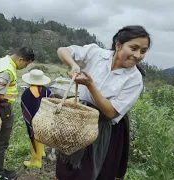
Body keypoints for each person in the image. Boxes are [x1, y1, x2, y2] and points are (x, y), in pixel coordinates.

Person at [55, 25, 151, 180]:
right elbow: (63, 50)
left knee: (91, 171)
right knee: (68, 168)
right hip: (78, 120)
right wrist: (73, 64)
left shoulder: (134, 79)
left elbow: (111, 112)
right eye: (133, 48)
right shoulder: (97, 54)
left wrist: (90, 85)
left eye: (143, 51)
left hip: (102, 128)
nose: (137, 55)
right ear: (118, 45)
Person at [0, 47, 35, 180]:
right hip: (1, 108)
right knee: (0, 144)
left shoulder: (2, 61)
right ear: (20, 59)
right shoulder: (7, 70)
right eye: (26, 63)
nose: (25, 67)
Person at [20, 69, 54, 168]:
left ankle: (36, 161)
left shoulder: (27, 92)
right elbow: (53, 103)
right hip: (45, 119)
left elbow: (26, 109)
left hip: (34, 121)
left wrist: (32, 121)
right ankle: (41, 152)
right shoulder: (47, 91)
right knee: (41, 135)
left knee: (34, 137)